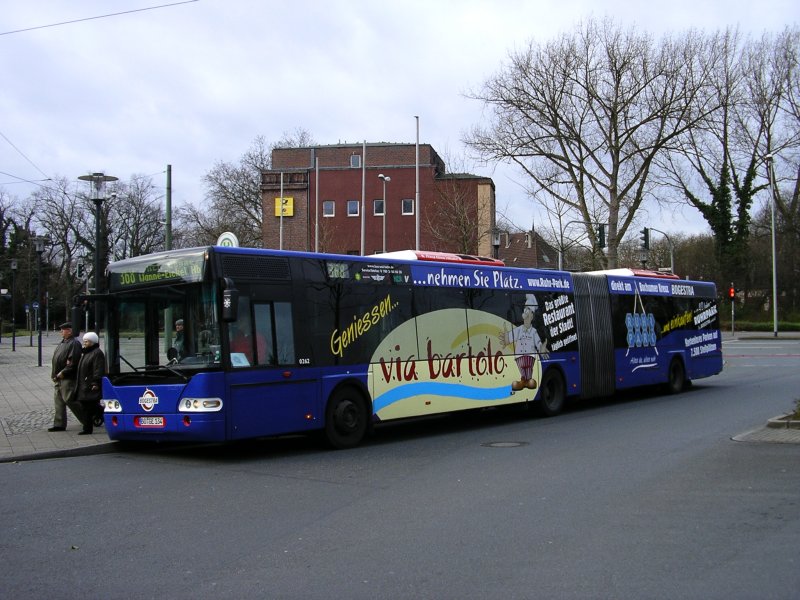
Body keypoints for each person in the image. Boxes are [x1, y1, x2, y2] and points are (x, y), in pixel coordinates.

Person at [48, 322, 82, 432]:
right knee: (58, 401)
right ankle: (59, 424)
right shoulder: (63, 343)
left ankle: (87, 418)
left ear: (70, 331)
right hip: (58, 377)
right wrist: (54, 375)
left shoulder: (74, 343)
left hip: (67, 377)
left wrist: (63, 372)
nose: (61, 332)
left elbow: (73, 362)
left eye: (63, 330)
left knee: (69, 399)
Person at [75, 331, 106, 435]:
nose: (84, 343)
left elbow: (98, 369)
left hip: (90, 385)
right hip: (84, 385)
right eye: (84, 341)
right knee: (87, 406)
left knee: (88, 407)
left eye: (87, 341)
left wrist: (95, 382)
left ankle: (88, 428)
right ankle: (98, 417)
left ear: (92, 342)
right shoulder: (86, 352)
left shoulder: (97, 353)